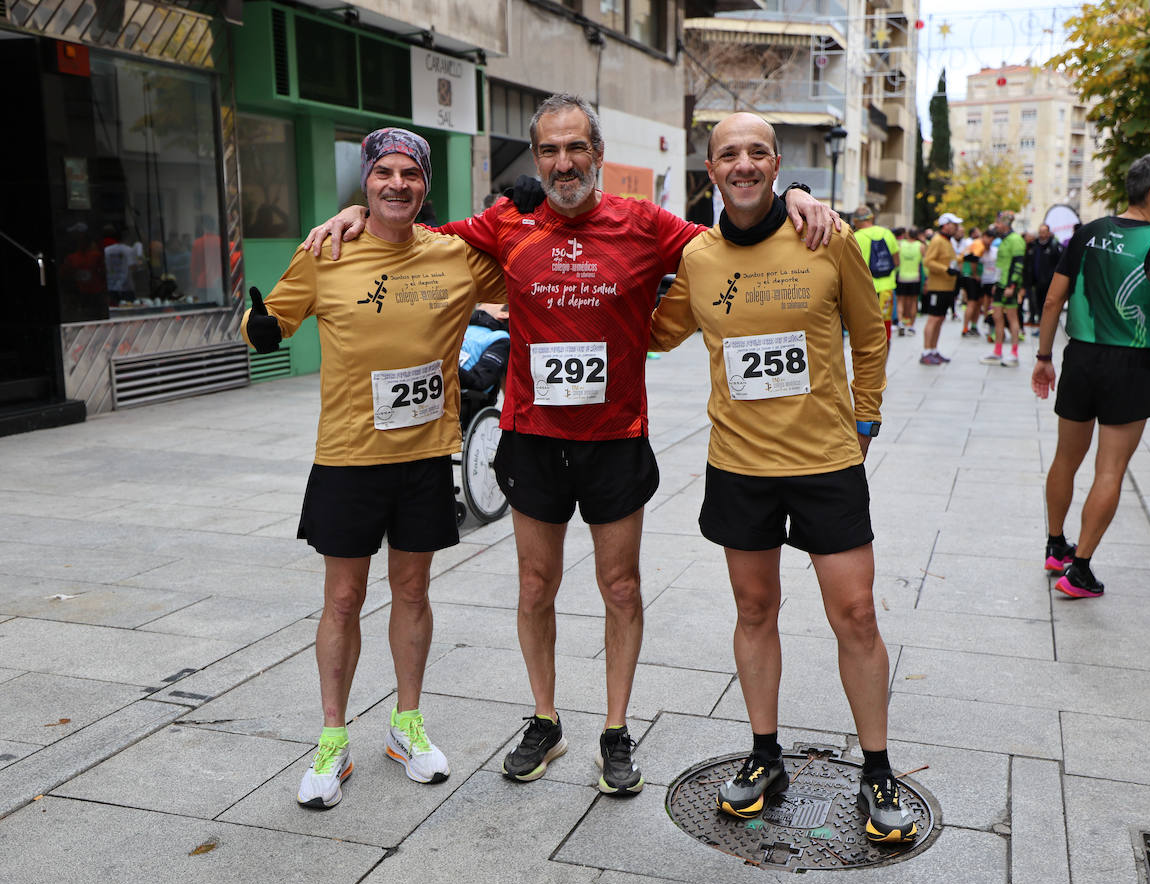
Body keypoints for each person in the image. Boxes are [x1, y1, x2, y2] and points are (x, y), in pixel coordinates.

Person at [303, 93, 843, 797]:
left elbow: (735, 235)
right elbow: (413, 231)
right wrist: (354, 212)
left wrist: (795, 193)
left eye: (576, 148)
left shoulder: (644, 223)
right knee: (536, 586)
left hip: (616, 439)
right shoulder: (506, 222)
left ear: (598, 153)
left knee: (620, 587)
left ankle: (616, 731)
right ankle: (545, 719)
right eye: (550, 151)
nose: (564, 163)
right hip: (532, 437)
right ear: (537, 159)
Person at [648, 112, 913, 843]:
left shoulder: (826, 238)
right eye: (728, 153)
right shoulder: (698, 259)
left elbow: (869, 331)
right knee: (754, 609)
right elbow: (654, 332)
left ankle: (877, 768)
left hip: (826, 461)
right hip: (738, 466)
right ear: (711, 170)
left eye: (756, 152)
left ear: (776, 163)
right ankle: (765, 756)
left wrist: (867, 421)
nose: (742, 163)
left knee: (855, 614)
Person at [244, 128, 508, 809]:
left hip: (423, 456)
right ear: (365, 183)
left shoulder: (454, 256)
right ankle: (333, 740)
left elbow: (525, 257)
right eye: (384, 174)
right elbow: (272, 320)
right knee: (342, 598)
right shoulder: (327, 250)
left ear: (425, 186)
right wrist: (260, 329)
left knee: (414, 593)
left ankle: (406, 726)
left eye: (411, 175)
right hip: (348, 456)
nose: (398, 184)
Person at [1031, 152, 1150, 598]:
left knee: (1066, 457)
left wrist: (1045, 355)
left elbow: (1052, 301)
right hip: (1130, 363)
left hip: (1080, 357)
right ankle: (1079, 570)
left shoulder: (1088, 232)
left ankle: (1055, 545)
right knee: (1110, 469)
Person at [981, 211, 1026, 367]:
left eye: (998, 223)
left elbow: (1018, 264)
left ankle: (1014, 353)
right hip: (1000, 284)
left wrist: (1012, 285)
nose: (996, 226)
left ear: (1005, 224)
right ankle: (997, 351)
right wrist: (996, 284)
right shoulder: (1002, 240)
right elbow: (1001, 265)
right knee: (997, 317)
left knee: (1012, 318)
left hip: (1010, 285)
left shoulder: (1016, 240)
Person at [919, 212, 962, 364]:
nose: (956, 227)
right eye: (954, 224)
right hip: (937, 287)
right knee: (933, 319)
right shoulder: (937, 240)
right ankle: (926, 351)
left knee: (941, 318)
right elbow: (928, 261)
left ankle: (934, 350)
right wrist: (945, 270)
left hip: (948, 287)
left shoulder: (948, 241)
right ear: (946, 225)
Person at [852, 206, 898, 344]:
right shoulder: (887, 233)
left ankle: (868, 364)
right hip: (886, 289)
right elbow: (896, 261)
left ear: (855, 221)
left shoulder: (855, 237)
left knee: (865, 333)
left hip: (864, 292)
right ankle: (883, 365)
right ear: (872, 218)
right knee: (885, 332)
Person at [459, 302, 510, 395]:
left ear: (504, 314)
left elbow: (480, 380)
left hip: (463, 397)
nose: (483, 300)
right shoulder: (462, 326)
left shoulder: (500, 338)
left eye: (493, 300)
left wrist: (448, 368)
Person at [1025, 224, 1063, 333]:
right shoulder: (1033, 246)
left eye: (1044, 231)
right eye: (1040, 231)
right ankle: (1040, 327)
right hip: (1036, 282)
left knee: (1048, 306)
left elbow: (1059, 264)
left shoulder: (1054, 246)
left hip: (1049, 282)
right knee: (1038, 305)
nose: (1042, 234)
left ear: (1048, 232)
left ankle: (1046, 329)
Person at [894, 227, 923, 335]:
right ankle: (911, 325)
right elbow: (924, 263)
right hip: (915, 277)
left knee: (900, 301)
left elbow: (896, 260)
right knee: (913, 302)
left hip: (902, 276)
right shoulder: (921, 246)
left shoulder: (900, 244)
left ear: (908, 235)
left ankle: (901, 322)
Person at [959, 227, 985, 337]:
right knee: (972, 302)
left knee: (977, 302)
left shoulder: (971, 243)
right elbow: (973, 259)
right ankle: (966, 327)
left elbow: (961, 259)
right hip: (972, 277)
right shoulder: (979, 243)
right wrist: (975, 275)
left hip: (968, 275)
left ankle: (972, 326)